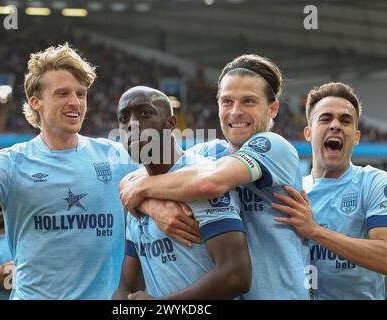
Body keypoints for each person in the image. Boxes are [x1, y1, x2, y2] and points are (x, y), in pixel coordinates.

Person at [0, 43, 175, 299]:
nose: (75, 102)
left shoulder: (117, 155)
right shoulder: (9, 162)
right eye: (62, 94)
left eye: (81, 94)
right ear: (35, 102)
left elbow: (168, 180)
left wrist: (153, 204)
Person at [120, 54, 310, 299]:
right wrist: (154, 206)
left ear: (273, 108)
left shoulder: (274, 146)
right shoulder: (210, 152)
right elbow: (130, 181)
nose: (236, 112)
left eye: (249, 101)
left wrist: (144, 189)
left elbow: (210, 184)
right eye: (227, 101)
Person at [112, 86, 251, 300]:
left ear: (170, 124)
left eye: (145, 113)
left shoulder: (201, 177)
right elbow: (127, 285)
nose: (132, 124)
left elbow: (236, 275)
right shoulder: (135, 193)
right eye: (124, 118)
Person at [271, 82, 387, 299]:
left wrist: (315, 231)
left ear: (357, 136)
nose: (335, 125)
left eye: (345, 120)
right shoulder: (291, 192)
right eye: (325, 118)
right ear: (308, 132)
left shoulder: (373, 182)